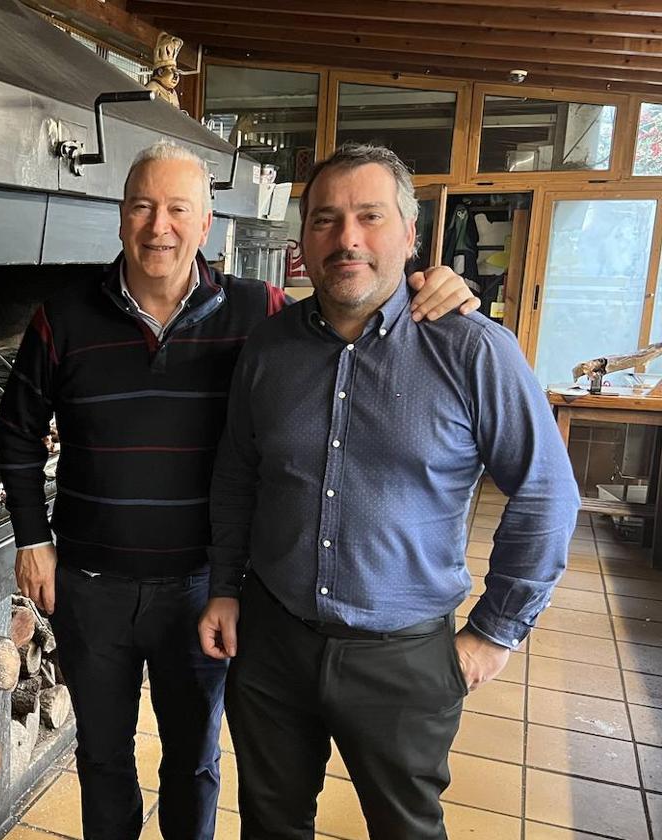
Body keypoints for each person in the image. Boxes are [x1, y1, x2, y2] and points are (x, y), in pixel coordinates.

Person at [0, 140, 478, 840]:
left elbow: (348, 307)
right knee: (102, 757)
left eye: (177, 210)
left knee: (193, 761)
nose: (158, 225)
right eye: (141, 207)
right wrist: (33, 540)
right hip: (91, 588)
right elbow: (15, 432)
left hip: (204, 589)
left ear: (206, 224)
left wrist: (422, 288)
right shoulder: (63, 318)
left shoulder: (262, 311)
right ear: (121, 219)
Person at [198, 142, 580, 840]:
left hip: (402, 659)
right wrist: (226, 586)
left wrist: (495, 633)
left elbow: (547, 495)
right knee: (269, 825)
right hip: (273, 641)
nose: (347, 238)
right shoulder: (268, 347)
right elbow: (237, 475)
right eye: (325, 219)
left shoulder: (473, 350)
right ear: (303, 240)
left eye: (370, 216)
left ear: (409, 234)